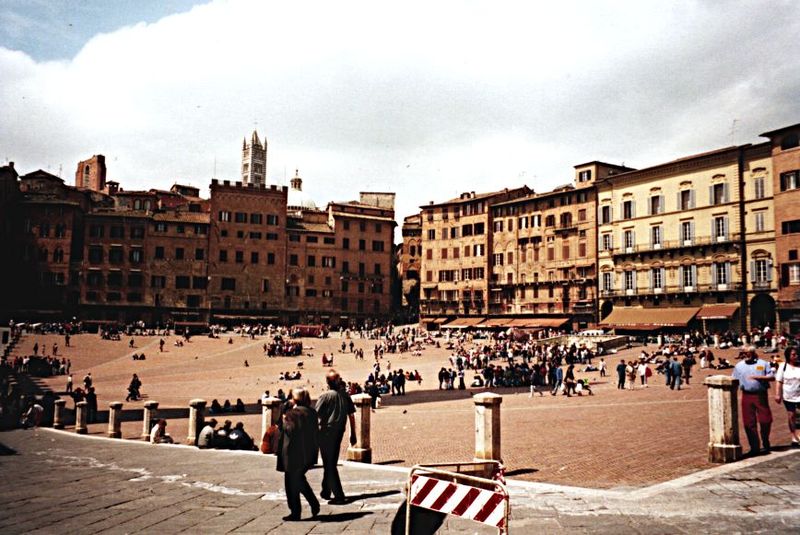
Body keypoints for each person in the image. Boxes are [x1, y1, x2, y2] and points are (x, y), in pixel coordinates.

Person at [277, 388, 320, 521]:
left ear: (294, 399)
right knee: (298, 478)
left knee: (292, 482)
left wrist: (284, 420)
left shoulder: (292, 414)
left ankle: (299, 509)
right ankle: (308, 506)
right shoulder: (312, 412)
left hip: (292, 453)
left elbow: (289, 430)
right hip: (308, 452)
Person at [315, 369, 356, 505]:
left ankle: (339, 495)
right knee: (330, 462)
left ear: (327, 382)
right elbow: (351, 415)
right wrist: (353, 433)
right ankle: (326, 490)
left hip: (326, 433)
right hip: (339, 433)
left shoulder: (325, 396)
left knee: (330, 464)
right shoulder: (345, 395)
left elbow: (316, 415)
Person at [732, 349, 775, 456]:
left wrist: (759, 377)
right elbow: (733, 380)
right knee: (749, 423)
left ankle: (765, 440)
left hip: (761, 395)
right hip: (746, 395)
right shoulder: (739, 366)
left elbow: (772, 377)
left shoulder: (763, 364)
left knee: (766, 420)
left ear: (753, 353)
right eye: (743, 353)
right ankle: (754, 447)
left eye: (747, 352)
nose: (745, 355)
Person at [774, 347, 800, 447]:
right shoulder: (783, 366)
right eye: (793, 355)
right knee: (791, 416)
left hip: (799, 395)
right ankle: (793, 436)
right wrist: (777, 394)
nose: (796, 356)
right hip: (788, 396)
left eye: (796, 354)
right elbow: (779, 381)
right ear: (788, 356)